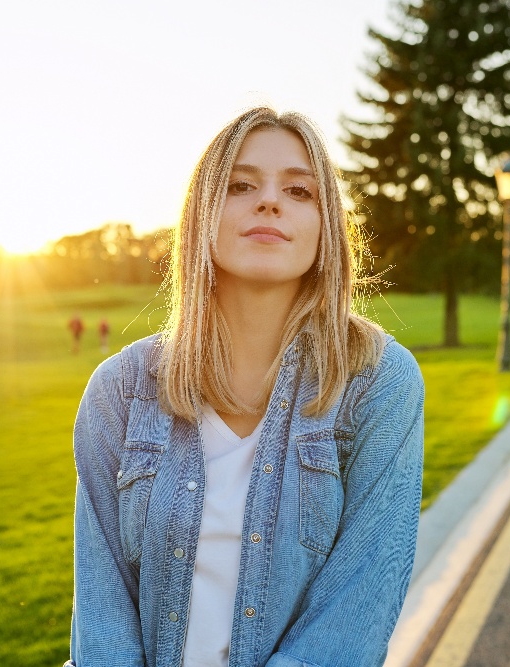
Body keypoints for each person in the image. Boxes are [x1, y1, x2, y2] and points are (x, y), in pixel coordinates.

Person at [65, 107, 425, 667]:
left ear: (326, 228)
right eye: (240, 184)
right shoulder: (119, 392)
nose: (270, 201)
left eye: (300, 191)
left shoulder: (378, 384)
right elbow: (102, 620)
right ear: (201, 215)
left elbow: (356, 614)